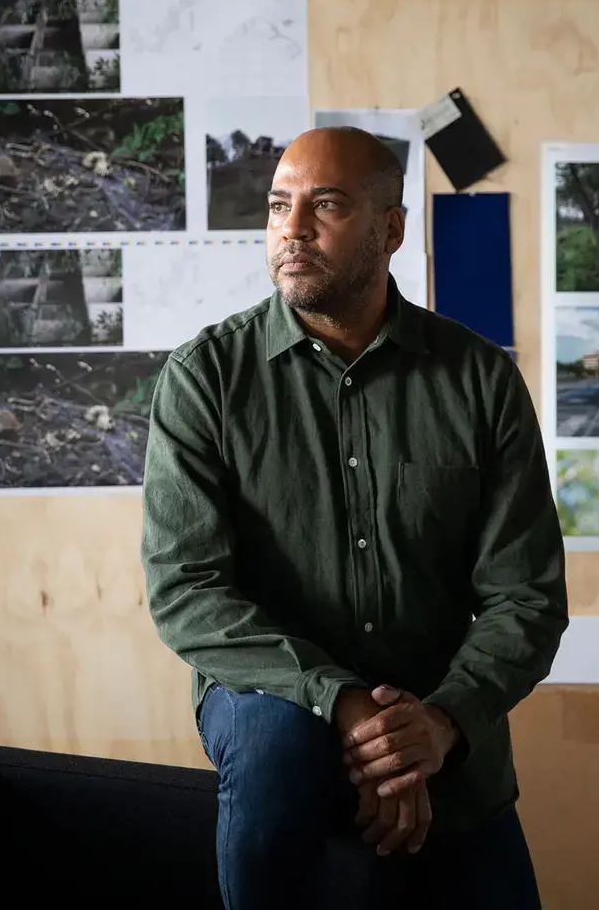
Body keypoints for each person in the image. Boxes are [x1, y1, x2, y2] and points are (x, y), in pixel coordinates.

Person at [140, 126, 568, 909]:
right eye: (278, 206)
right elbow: (187, 592)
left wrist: (439, 724)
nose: (291, 229)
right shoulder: (205, 379)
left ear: (391, 229)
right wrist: (342, 702)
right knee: (279, 744)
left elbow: (527, 597)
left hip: (441, 717)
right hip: (269, 706)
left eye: (325, 205)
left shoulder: (478, 380)